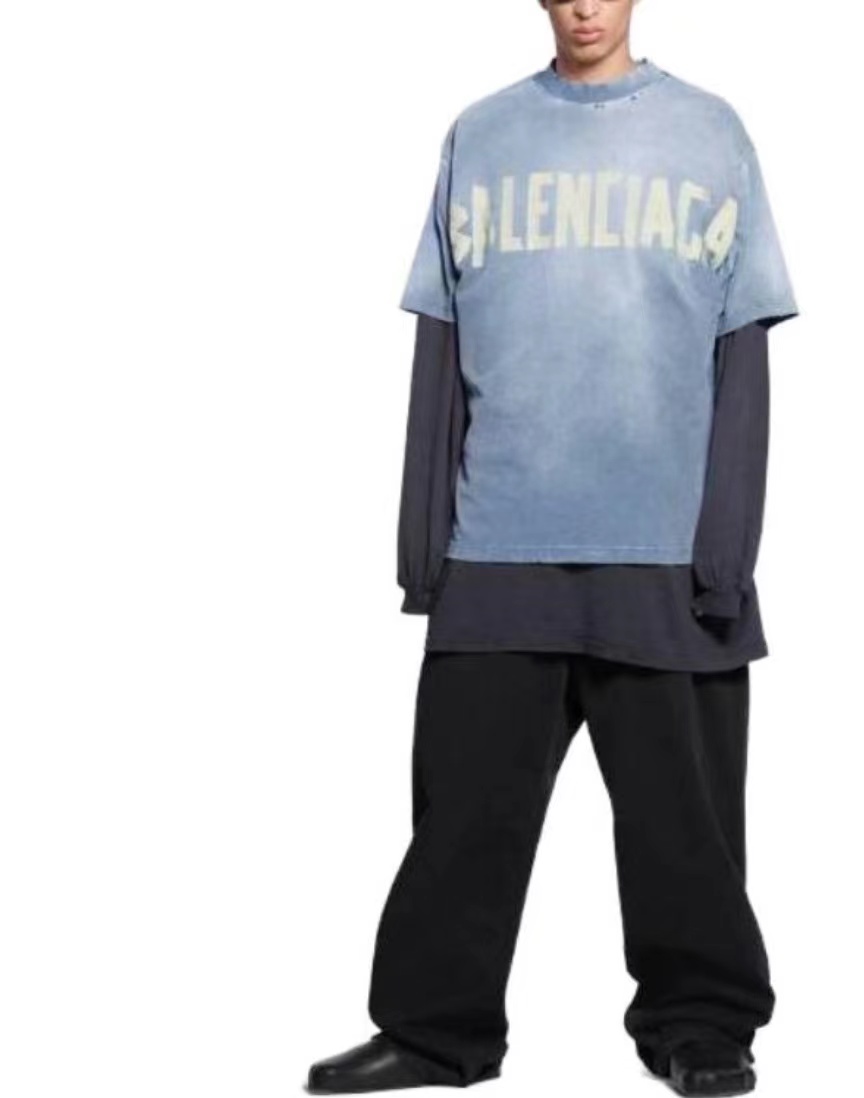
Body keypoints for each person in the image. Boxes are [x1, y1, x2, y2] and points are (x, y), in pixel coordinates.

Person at [306, 1, 798, 1094]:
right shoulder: (481, 135)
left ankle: (703, 1027)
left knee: (685, 826)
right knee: (461, 818)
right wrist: (424, 552)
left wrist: (724, 557)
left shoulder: (709, 134)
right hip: (499, 544)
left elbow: (743, 360)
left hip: (664, 555)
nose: (584, 5)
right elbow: (441, 351)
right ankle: (434, 1031)